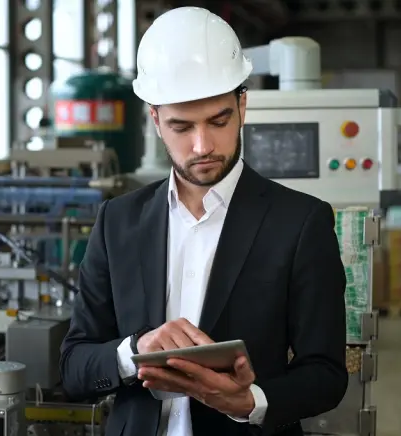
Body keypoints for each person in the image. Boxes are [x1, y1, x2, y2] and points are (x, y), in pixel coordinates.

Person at [59, 6, 348, 436]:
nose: (202, 145)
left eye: (219, 120)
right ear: (156, 120)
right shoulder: (117, 221)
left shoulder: (301, 223)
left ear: (242, 106)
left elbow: (325, 374)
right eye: (181, 126)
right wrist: (135, 351)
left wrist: (252, 401)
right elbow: (74, 367)